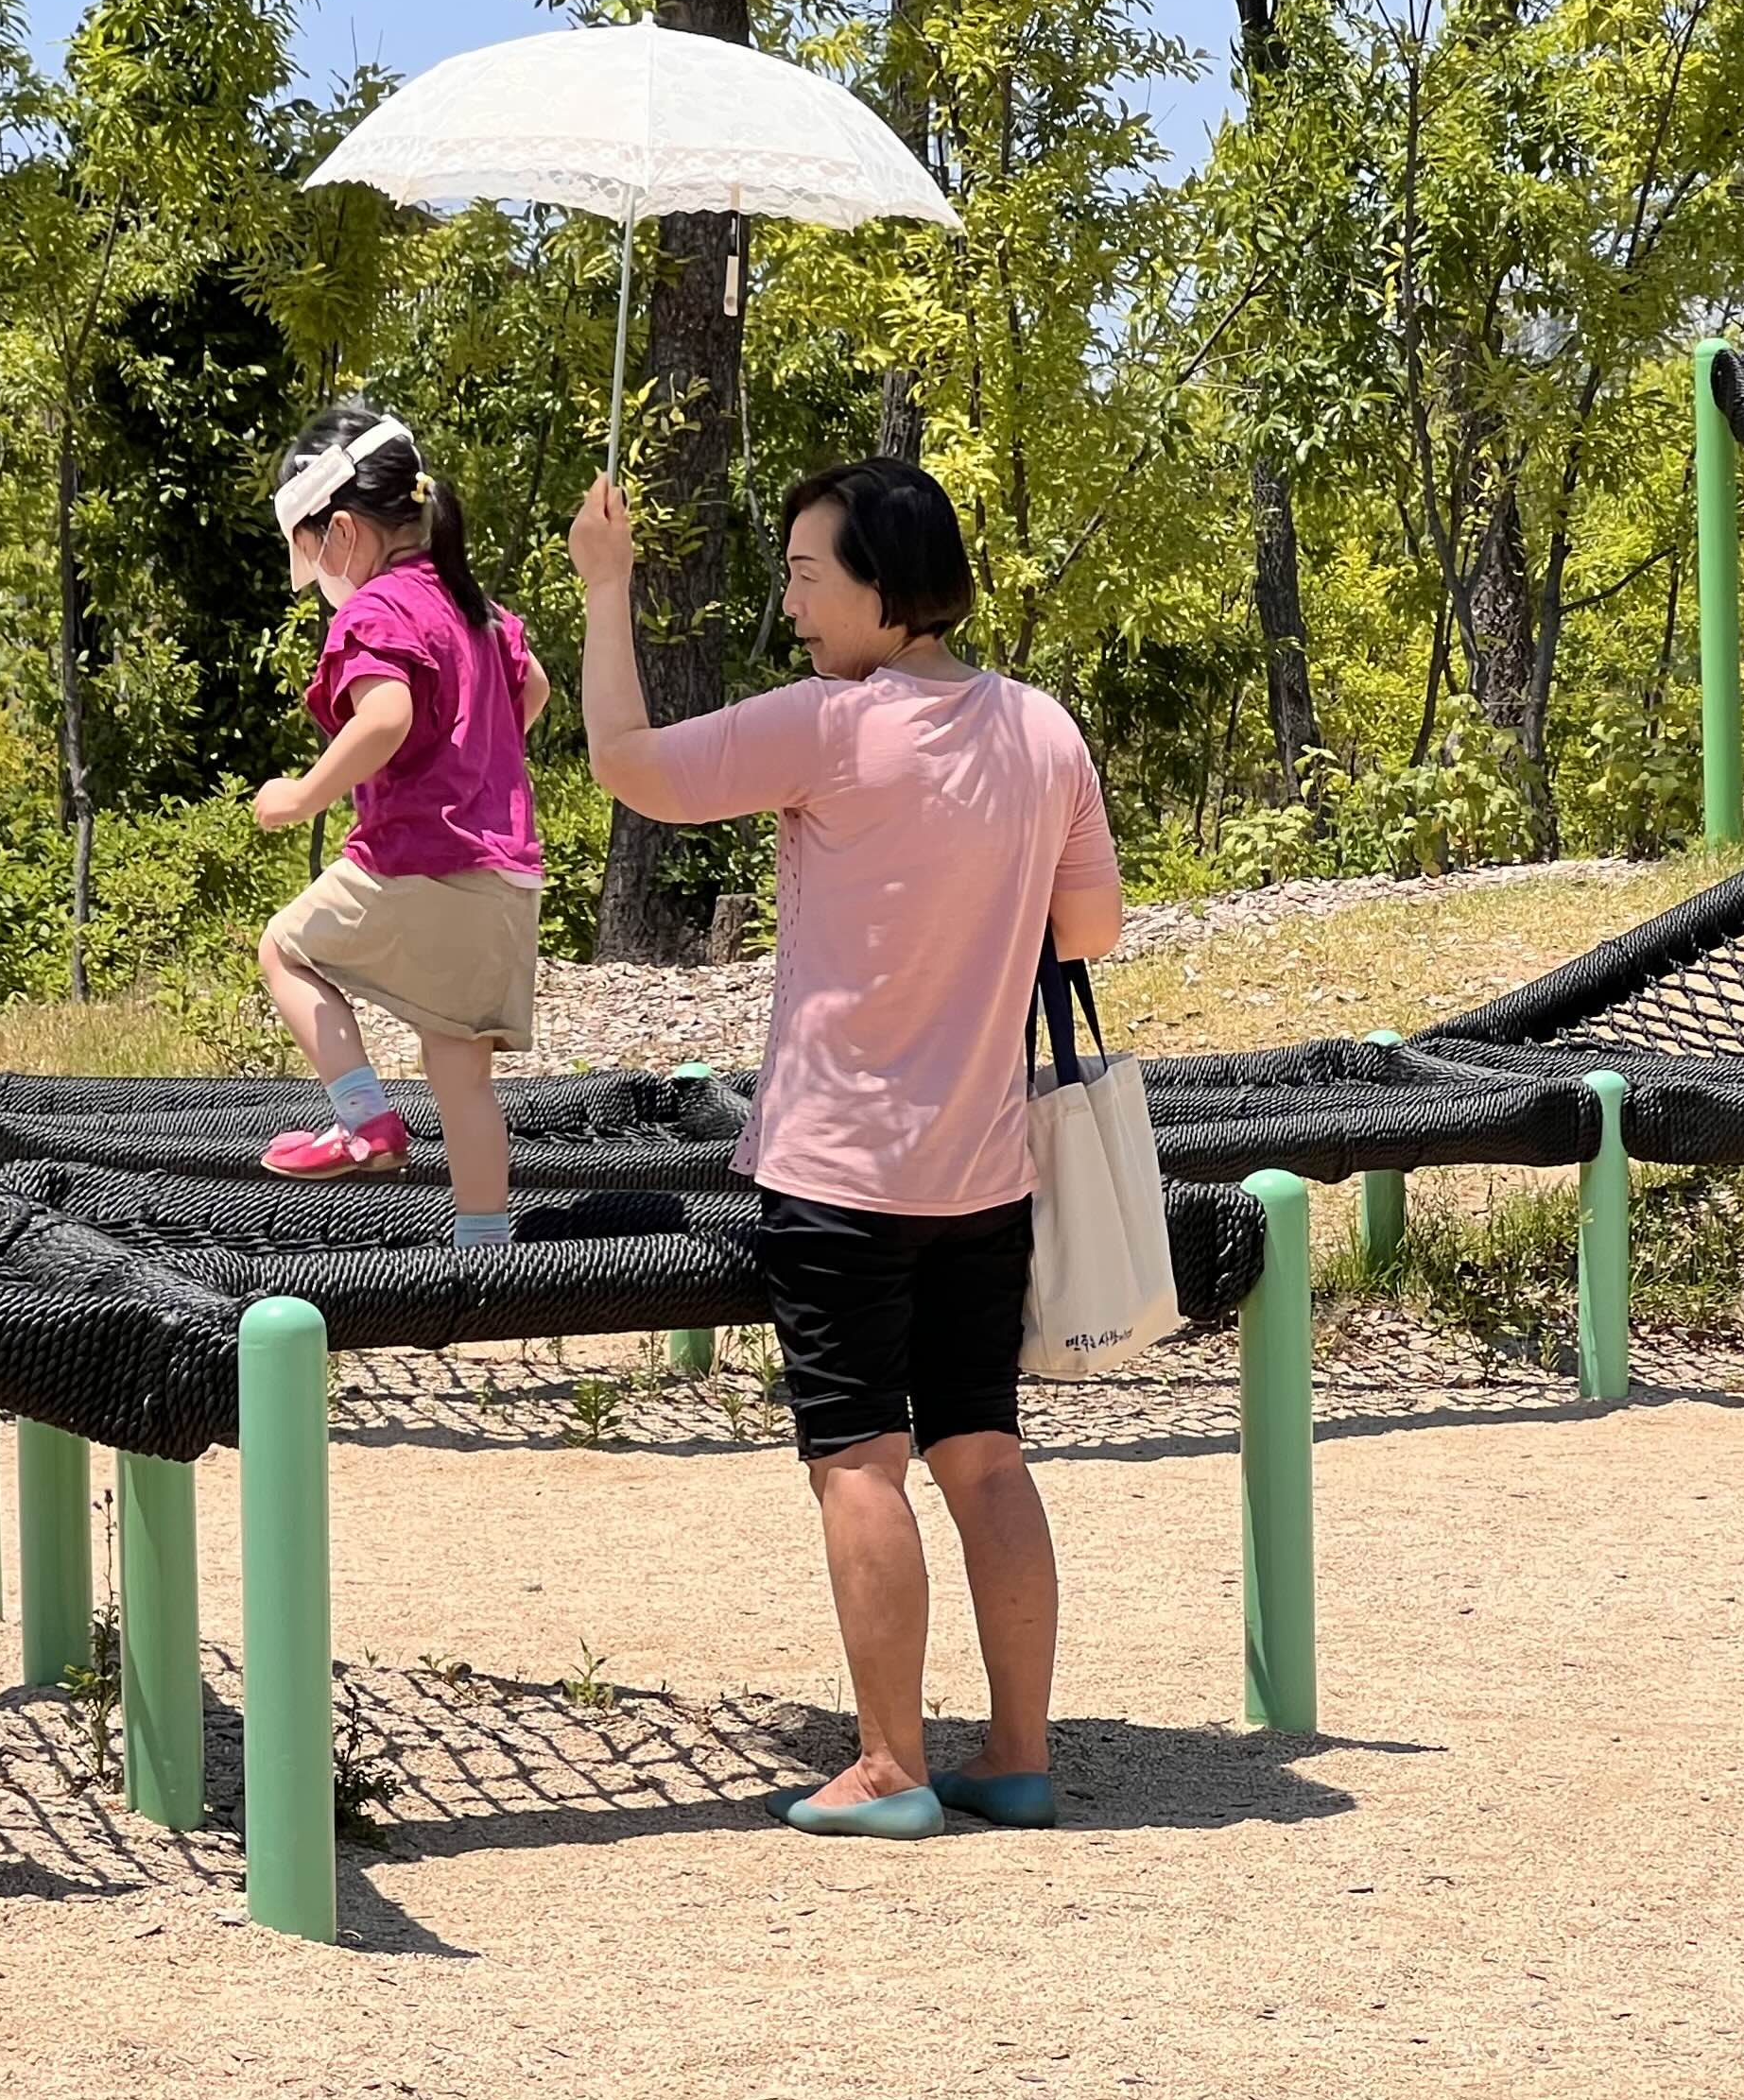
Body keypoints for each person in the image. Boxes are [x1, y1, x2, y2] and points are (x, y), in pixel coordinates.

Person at [570, 458, 1123, 1841]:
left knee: (860, 1462)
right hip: (984, 1171)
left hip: (839, 1177)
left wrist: (606, 587)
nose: (794, 606)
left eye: (811, 578)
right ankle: (1017, 1755)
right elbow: (1091, 931)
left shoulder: (827, 726)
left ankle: (889, 1766)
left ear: (888, 588)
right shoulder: (1043, 728)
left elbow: (629, 766)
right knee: (984, 1455)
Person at [250, 404, 551, 1244]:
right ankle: (485, 1248)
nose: (319, 579)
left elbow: (385, 718)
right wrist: (479, 759)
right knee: (461, 1075)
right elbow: (533, 690)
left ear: (343, 534)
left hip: (422, 857)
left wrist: (303, 794)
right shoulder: (475, 606)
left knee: (285, 950)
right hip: (504, 875)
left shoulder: (377, 610)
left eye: (313, 554)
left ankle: (364, 1120)